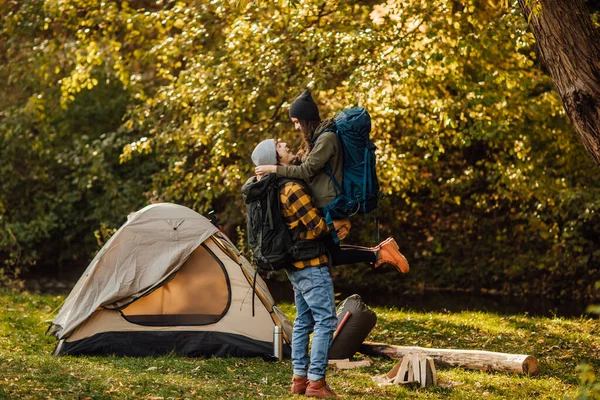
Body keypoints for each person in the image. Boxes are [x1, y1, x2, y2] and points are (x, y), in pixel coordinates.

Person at [255, 89, 409, 273]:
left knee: (329, 255)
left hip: (328, 203)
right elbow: (299, 162)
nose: (296, 127)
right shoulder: (313, 140)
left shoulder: (326, 138)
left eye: (297, 122)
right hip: (320, 202)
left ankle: (379, 253)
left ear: (306, 119)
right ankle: (379, 253)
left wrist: (273, 168)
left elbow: (306, 170)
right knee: (330, 253)